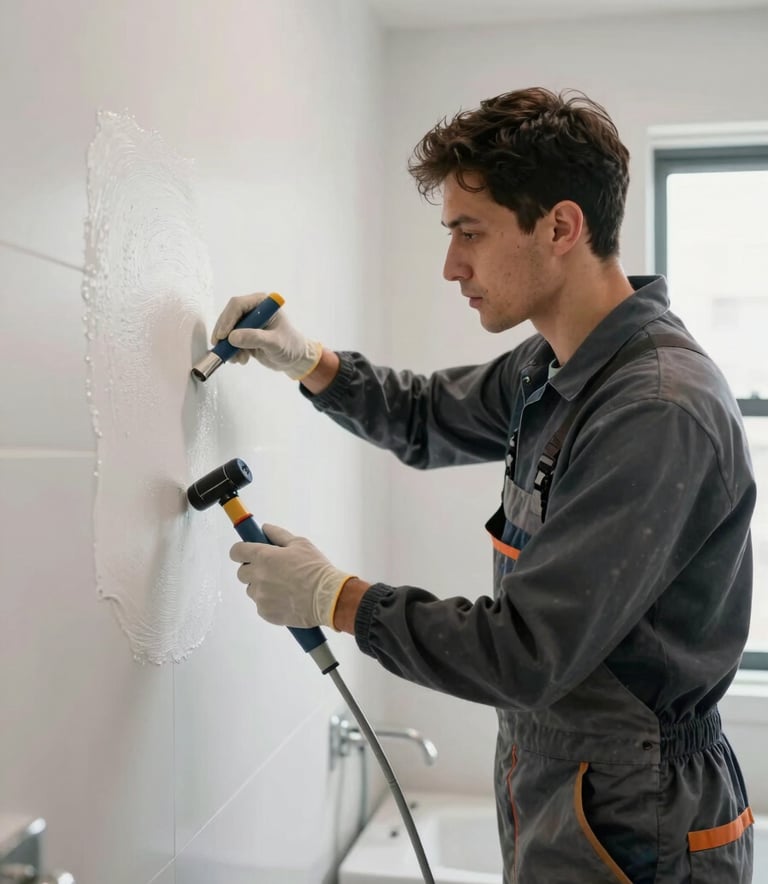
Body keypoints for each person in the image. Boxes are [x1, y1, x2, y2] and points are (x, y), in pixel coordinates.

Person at [213, 87, 756, 883]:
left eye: (471, 233)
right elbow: (429, 416)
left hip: (641, 818)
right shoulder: (554, 363)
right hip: (561, 783)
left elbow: (527, 651)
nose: (450, 265)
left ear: (561, 227)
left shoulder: (656, 410)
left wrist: (336, 598)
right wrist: (311, 361)